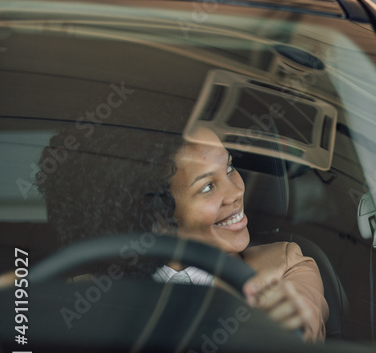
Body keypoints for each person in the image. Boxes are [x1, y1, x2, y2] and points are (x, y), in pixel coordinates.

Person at [36, 124, 328, 341]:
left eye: (229, 168)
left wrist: (290, 315)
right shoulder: (89, 292)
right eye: (207, 187)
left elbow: (308, 315)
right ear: (159, 217)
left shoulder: (284, 263)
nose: (237, 191)